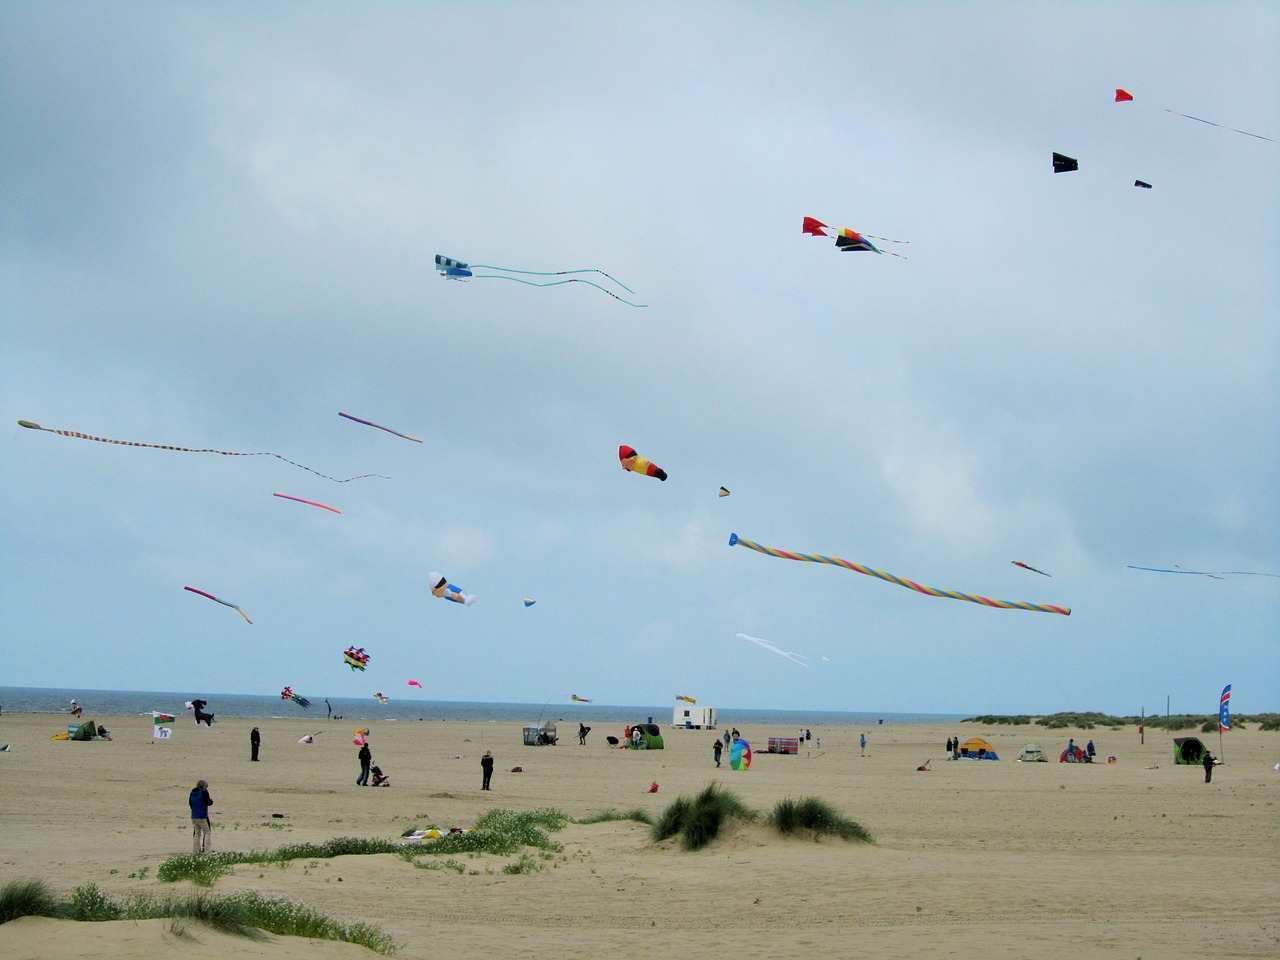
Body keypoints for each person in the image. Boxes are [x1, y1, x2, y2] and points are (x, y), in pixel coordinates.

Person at [189, 779, 213, 854]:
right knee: (207, 832)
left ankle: (196, 851)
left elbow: (190, 804)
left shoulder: (192, 793)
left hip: (194, 816)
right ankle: (207, 850)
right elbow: (208, 802)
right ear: (203, 786)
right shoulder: (203, 792)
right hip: (202, 816)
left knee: (197, 833)